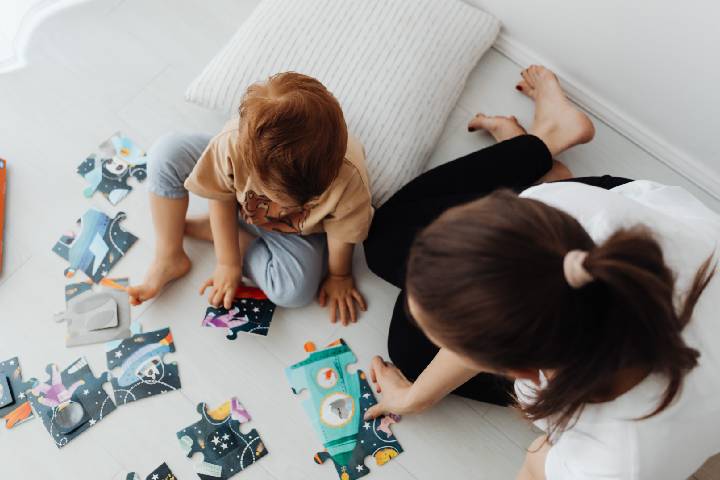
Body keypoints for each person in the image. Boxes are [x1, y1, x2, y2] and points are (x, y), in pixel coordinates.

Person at [363, 65, 720, 479]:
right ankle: (547, 143)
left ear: (517, 371)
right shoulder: (566, 211)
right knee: (387, 244)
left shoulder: (612, 462)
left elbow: (535, 468)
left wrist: (415, 396)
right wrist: (413, 399)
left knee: (406, 338)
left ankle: (544, 144)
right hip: (609, 213)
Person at [128, 72, 371, 324]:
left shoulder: (350, 176)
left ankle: (223, 231)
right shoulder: (232, 142)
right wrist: (227, 263)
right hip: (237, 194)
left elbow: (343, 232)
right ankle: (170, 254)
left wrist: (340, 276)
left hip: (297, 231)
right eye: (275, 196)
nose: (280, 207)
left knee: (293, 291)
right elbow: (220, 195)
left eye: (293, 203)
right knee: (166, 152)